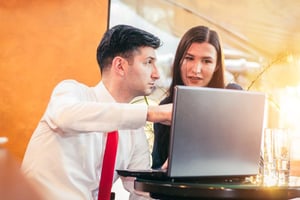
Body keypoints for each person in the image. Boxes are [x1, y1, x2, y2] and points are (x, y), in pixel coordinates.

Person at [21, 24, 172, 200]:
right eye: (148, 63)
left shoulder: (134, 130)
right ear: (120, 66)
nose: (156, 74)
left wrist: (164, 179)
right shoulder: (72, 92)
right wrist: (150, 113)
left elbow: (141, 192)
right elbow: (65, 116)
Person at [151, 25, 226, 169]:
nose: (196, 69)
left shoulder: (233, 100)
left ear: (217, 66)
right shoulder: (166, 108)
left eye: (206, 61)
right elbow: (157, 167)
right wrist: (164, 170)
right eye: (189, 58)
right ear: (179, 60)